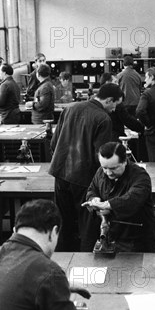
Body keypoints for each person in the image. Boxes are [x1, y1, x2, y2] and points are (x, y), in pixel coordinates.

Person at [49, 83, 124, 251]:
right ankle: (86, 265)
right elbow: (102, 157)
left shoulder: (70, 108)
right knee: (87, 226)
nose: (114, 110)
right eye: (115, 105)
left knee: (63, 222)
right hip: (84, 178)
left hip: (60, 173)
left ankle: (63, 261)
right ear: (109, 100)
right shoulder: (103, 118)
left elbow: (54, 143)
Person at [81, 142, 155, 252]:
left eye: (114, 168)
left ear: (125, 161)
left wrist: (106, 204)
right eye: (104, 167)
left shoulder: (140, 176)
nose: (108, 172)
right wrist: (94, 199)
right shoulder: (101, 172)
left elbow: (132, 199)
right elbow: (92, 189)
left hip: (136, 241)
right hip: (111, 237)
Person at [99, 73, 144, 140]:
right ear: (108, 83)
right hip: (114, 137)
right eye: (115, 82)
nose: (118, 84)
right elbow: (127, 120)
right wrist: (143, 128)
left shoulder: (95, 101)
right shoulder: (116, 101)